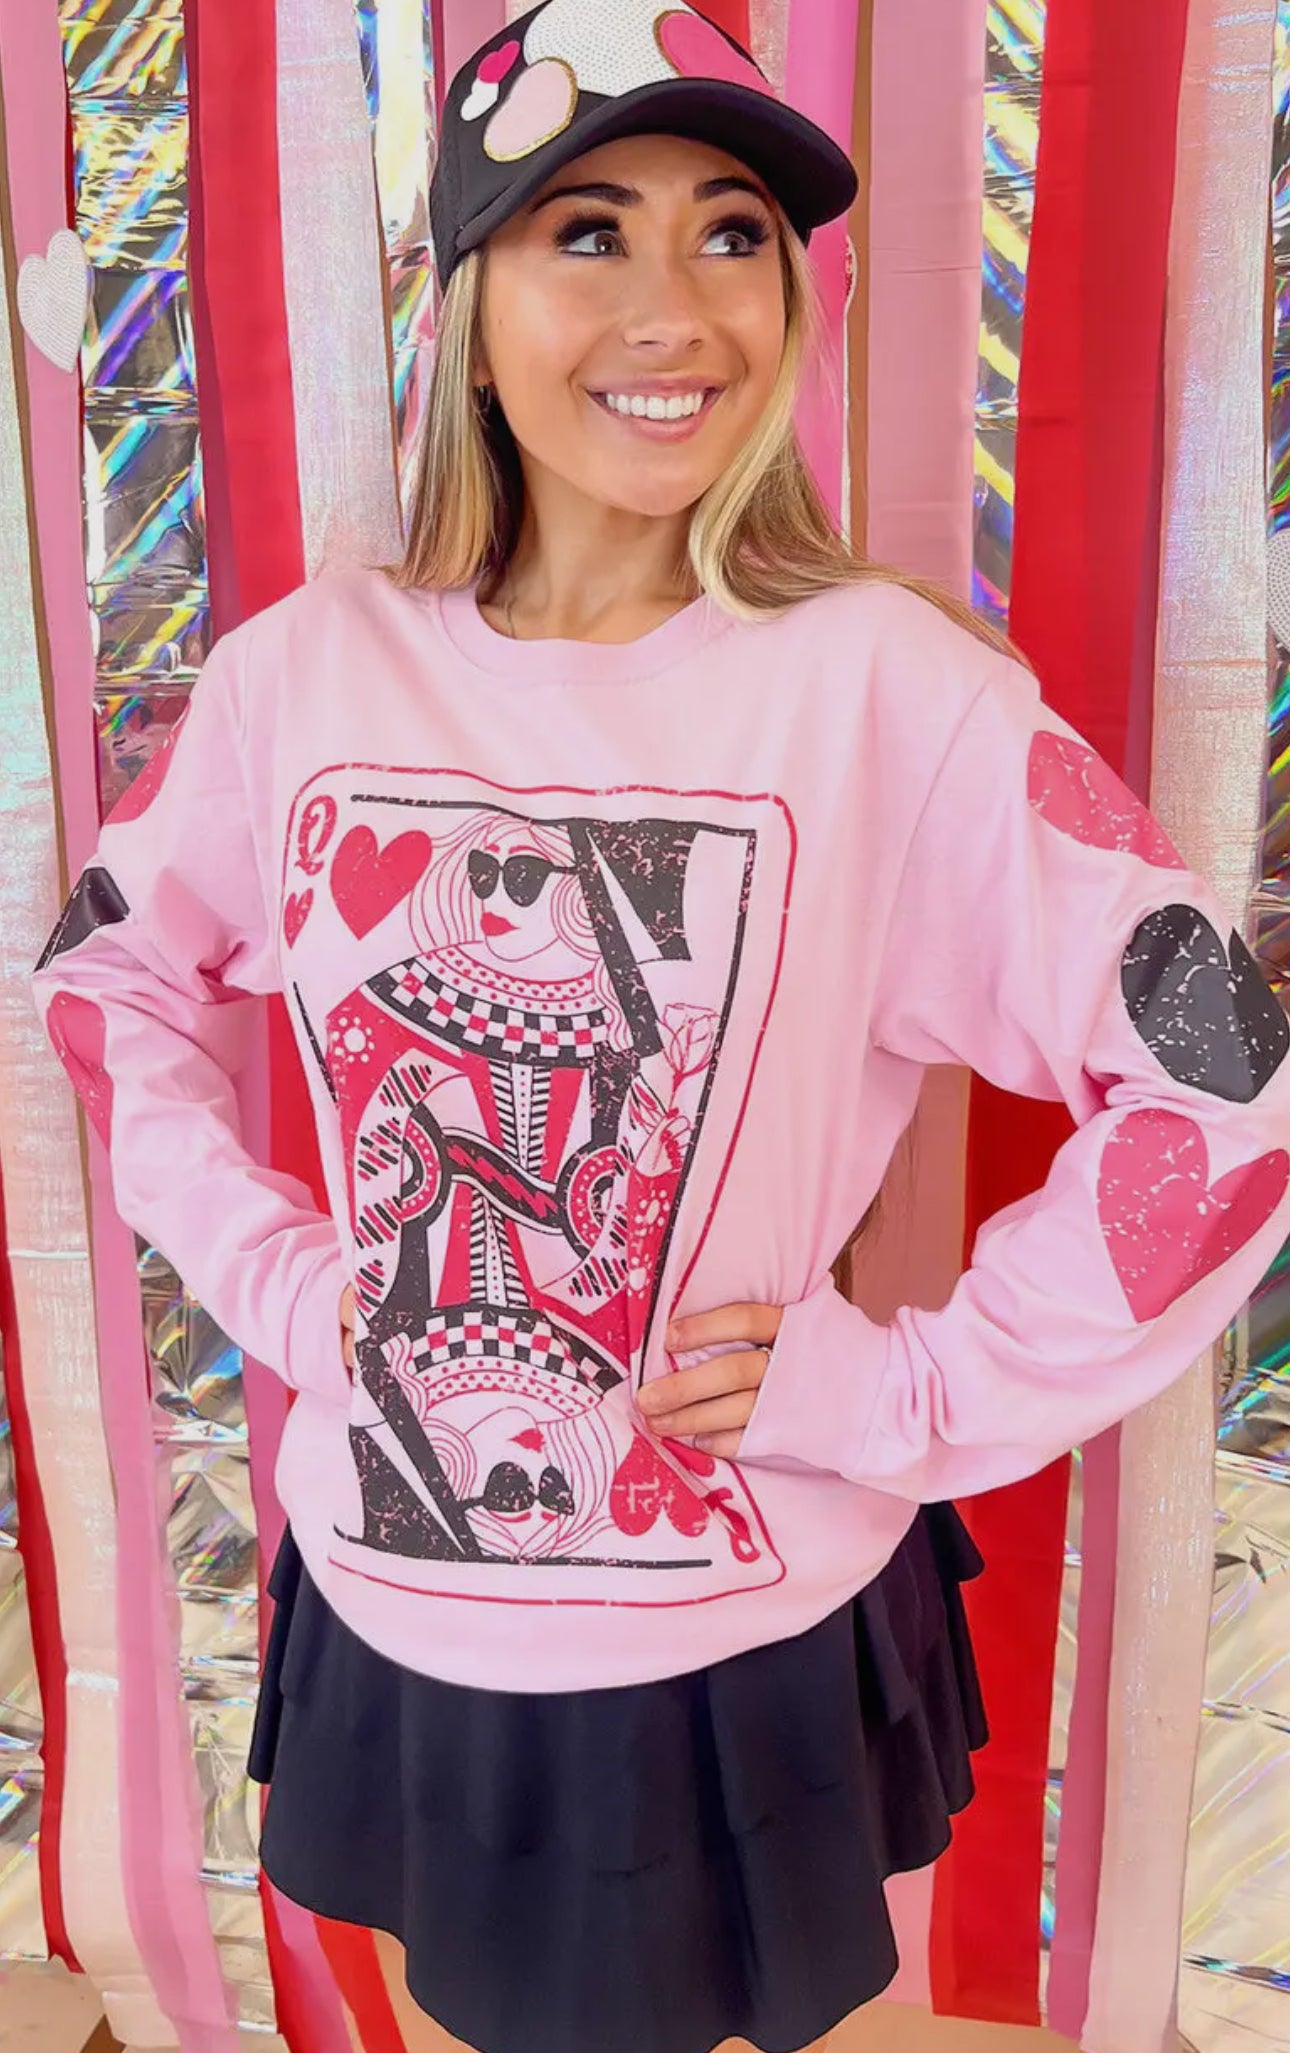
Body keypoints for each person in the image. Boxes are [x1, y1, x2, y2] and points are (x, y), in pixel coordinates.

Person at [29, 3, 1290, 2050]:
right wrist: (275, 1279)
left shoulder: (894, 698)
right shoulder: (299, 680)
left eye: (732, 234)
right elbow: (107, 977)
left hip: (734, 1631)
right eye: (589, 230)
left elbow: (1225, 1092)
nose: (675, 305)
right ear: (472, 301)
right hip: (399, 1601)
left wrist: (906, 1387)